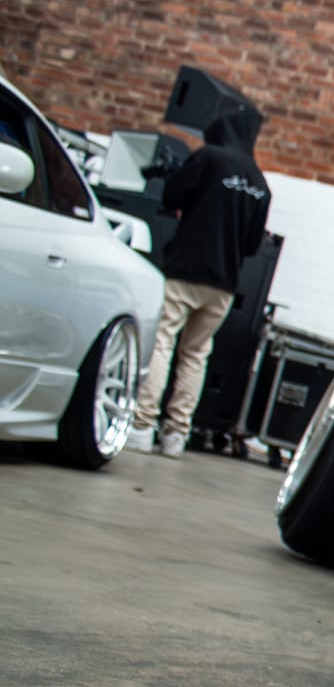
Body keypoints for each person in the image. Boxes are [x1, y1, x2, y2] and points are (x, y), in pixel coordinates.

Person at [129, 107, 272, 458]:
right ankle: (176, 436)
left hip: (186, 271)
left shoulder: (209, 157)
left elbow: (172, 196)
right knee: (196, 355)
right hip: (223, 284)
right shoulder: (260, 183)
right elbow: (253, 245)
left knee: (162, 342)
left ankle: (142, 427)